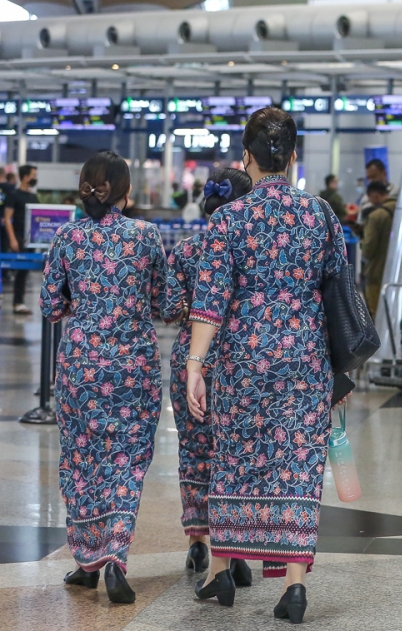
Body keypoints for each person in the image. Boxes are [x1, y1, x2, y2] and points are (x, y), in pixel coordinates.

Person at [186, 106, 343, 622]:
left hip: (242, 359)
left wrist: (194, 363)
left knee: (236, 461)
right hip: (304, 355)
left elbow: (209, 301)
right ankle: (295, 587)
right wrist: (340, 370)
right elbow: (339, 292)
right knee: (297, 466)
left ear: (247, 158)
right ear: (294, 157)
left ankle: (225, 568)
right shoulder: (320, 214)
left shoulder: (228, 220)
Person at [39, 151, 171, 603]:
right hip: (134, 366)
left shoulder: (66, 237)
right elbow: (167, 304)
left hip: (79, 367)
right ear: (125, 193)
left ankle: (86, 559)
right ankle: (114, 557)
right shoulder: (147, 236)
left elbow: (50, 307)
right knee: (126, 462)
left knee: (81, 461)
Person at [163, 168, 254, 581]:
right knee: (234, 458)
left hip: (191, 362)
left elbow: (167, 308)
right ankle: (232, 550)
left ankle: (198, 542)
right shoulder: (254, 248)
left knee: (194, 453)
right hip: (238, 362)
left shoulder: (184, 251)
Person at [3, 164, 39, 314]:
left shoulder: (33, 196)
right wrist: (12, 239)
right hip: (18, 236)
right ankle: (17, 302)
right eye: (33, 175)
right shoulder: (13, 195)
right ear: (25, 177)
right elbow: (7, 218)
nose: (35, 178)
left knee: (25, 270)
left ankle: (19, 302)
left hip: (30, 237)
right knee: (20, 269)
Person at [360, 180, 396, 317]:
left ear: (375, 195)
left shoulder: (376, 216)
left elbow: (368, 249)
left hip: (376, 273)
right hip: (395, 273)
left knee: (376, 314)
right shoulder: (400, 210)